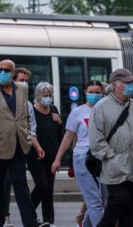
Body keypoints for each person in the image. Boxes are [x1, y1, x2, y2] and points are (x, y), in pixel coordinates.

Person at [0, 59, 45, 227]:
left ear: (12, 73)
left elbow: (26, 116)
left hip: (19, 145)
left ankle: (30, 222)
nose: (3, 72)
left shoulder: (22, 89)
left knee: (21, 184)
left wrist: (28, 136)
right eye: (0, 69)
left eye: (7, 70)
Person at [89, 68, 133, 227]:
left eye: (131, 82)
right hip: (115, 166)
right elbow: (95, 138)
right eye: (127, 82)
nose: (131, 85)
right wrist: (111, 156)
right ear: (115, 85)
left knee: (132, 207)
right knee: (119, 200)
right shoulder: (101, 107)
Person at [51, 81, 105, 227]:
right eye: (91, 92)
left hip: (103, 158)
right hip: (83, 158)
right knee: (94, 201)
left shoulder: (106, 110)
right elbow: (68, 137)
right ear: (85, 92)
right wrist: (58, 159)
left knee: (102, 200)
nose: (94, 95)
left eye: (97, 92)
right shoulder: (77, 112)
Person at [2, 67, 45, 227]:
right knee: (5, 184)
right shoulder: (2, 99)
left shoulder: (27, 104)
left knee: (23, 185)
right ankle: (4, 217)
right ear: (12, 80)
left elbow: (31, 128)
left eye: (27, 81)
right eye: (21, 80)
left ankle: (30, 220)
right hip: (4, 149)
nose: (25, 83)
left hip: (22, 149)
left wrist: (37, 146)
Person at [28, 82, 62, 225]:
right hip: (35, 155)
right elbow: (29, 132)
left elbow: (61, 133)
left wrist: (59, 121)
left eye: (50, 95)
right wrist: (37, 147)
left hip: (52, 155)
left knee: (49, 191)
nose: (48, 98)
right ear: (37, 96)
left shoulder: (54, 109)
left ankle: (49, 221)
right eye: (45, 95)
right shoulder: (32, 111)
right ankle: (28, 212)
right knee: (42, 185)